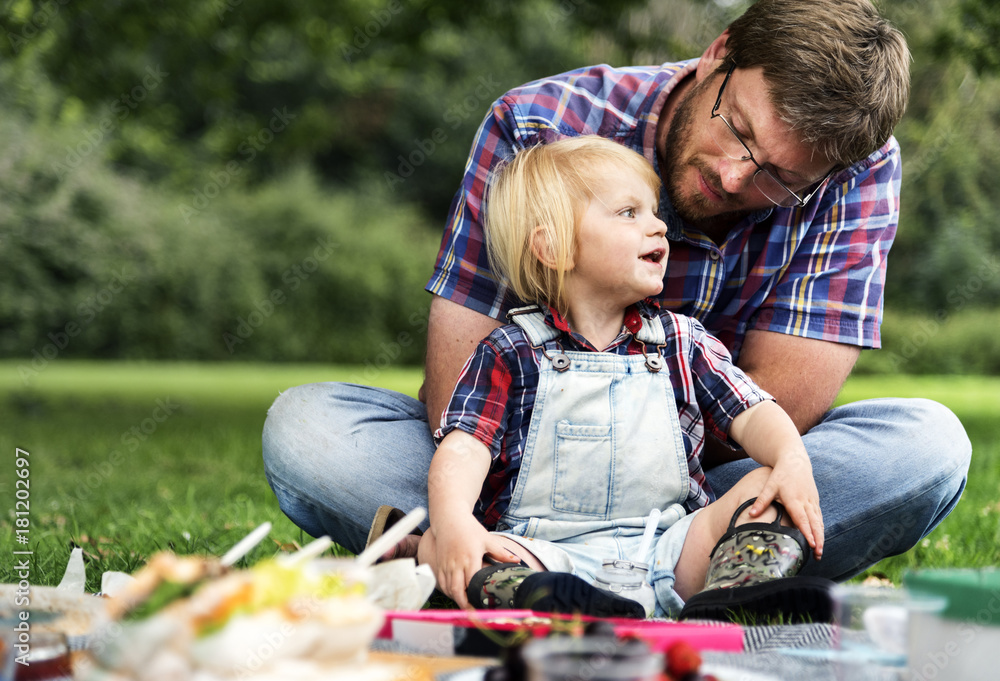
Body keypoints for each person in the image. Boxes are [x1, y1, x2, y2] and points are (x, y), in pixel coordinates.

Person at [262, 0, 970, 587]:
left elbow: (782, 403)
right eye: (738, 128)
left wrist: (661, 476)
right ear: (717, 54)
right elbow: (458, 396)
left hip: (696, 493)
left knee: (925, 446)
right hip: (508, 478)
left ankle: (482, 567)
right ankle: (505, 552)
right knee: (312, 430)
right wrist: (482, 502)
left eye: (779, 179)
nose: (732, 176)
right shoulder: (539, 124)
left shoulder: (852, 168)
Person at [417, 134, 828, 619]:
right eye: (629, 213)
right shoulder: (511, 352)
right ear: (555, 247)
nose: (658, 227)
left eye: (655, 212)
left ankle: (729, 597)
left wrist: (791, 459)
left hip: (671, 550)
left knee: (767, 487)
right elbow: (464, 447)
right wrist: (454, 522)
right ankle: (555, 605)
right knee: (434, 545)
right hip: (546, 554)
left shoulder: (681, 341)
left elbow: (752, 410)